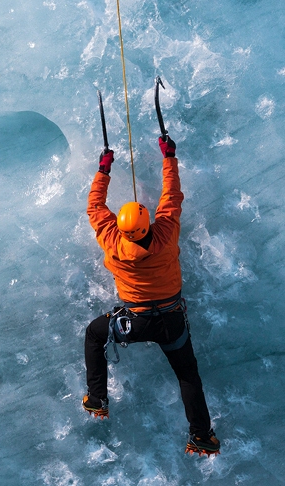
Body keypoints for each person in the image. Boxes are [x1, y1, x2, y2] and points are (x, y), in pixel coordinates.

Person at [83, 136, 220, 456]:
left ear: (120, 227)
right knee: (187, 374)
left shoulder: (112, 241)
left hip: (133, 323)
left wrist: (104, 169)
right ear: (147, 222)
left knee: (94, 333)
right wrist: (168, 156)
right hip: (171, 321)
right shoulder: (166, 231)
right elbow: (172, 195)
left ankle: (97, 399)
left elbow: (94, 207)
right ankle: (201, 435)